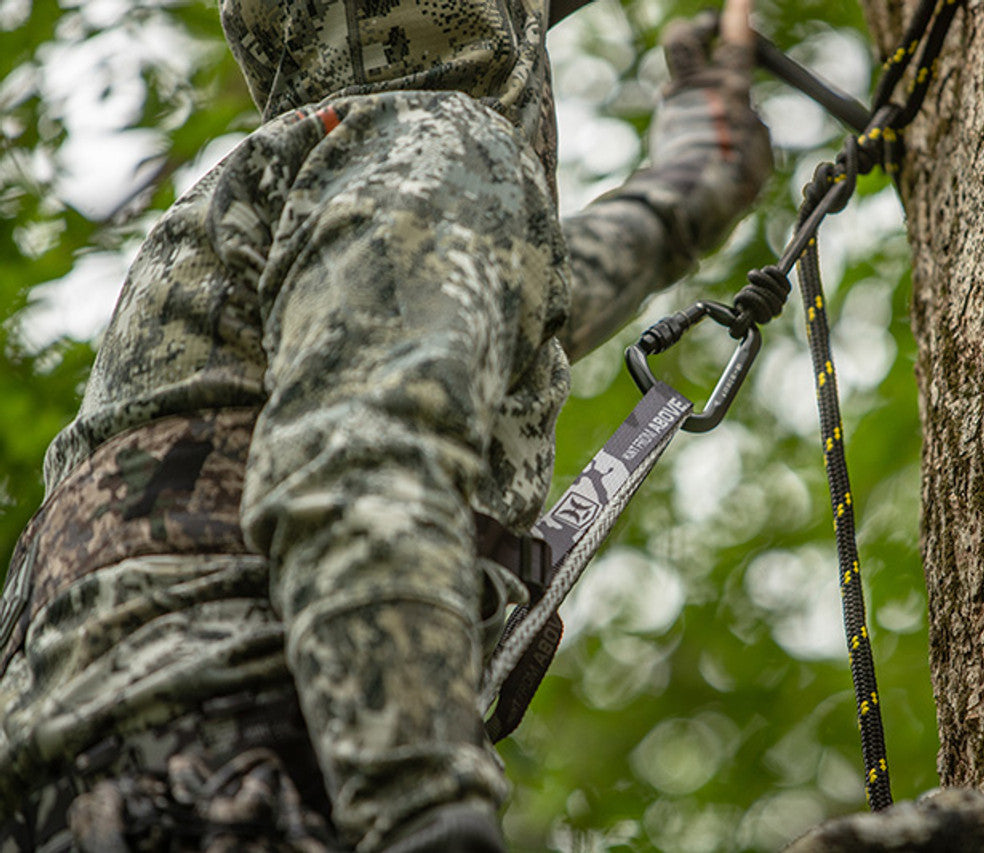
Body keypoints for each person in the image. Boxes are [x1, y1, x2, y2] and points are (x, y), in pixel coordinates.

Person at [0, 0, 770, 848]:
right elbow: (359, 468)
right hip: (235, 783)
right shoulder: (430, 147)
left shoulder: (302, 185)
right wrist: (423, 807)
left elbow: (528, 297)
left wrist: (702, 165)